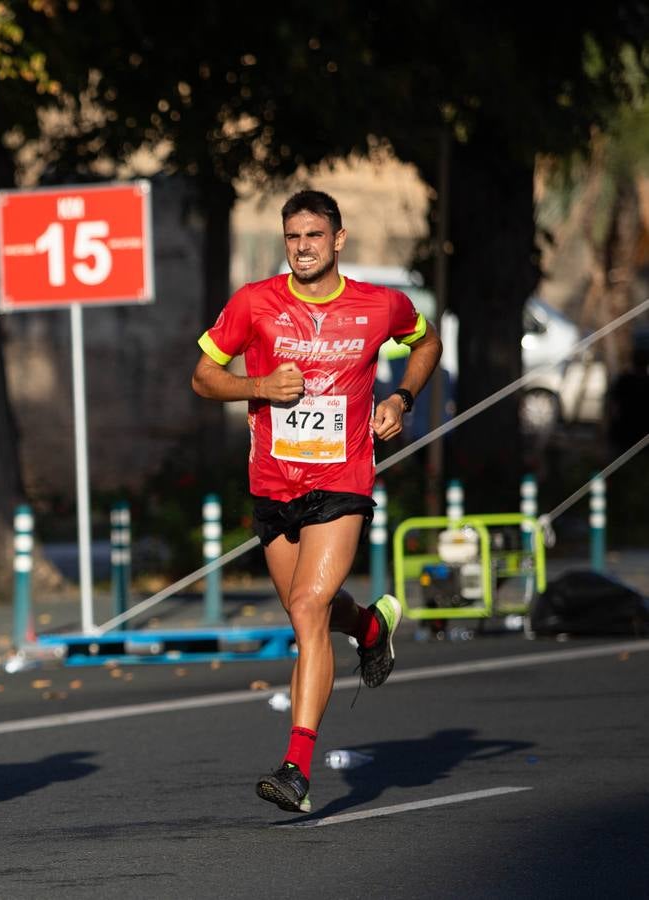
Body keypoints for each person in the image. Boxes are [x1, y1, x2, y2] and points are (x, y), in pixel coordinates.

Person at [190, 190, 441, 814]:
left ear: (338, 239)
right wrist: (256, 385)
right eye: (293, 237)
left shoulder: (380, 305)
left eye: (314, 235)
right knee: (315, 615)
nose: (302, 247)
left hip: (343, 479)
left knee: (307, 606)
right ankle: (370, 624)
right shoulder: (254, 303)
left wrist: (401, 400)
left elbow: (427, 344)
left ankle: (296, 768)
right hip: (273, 485)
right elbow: (201, 376)